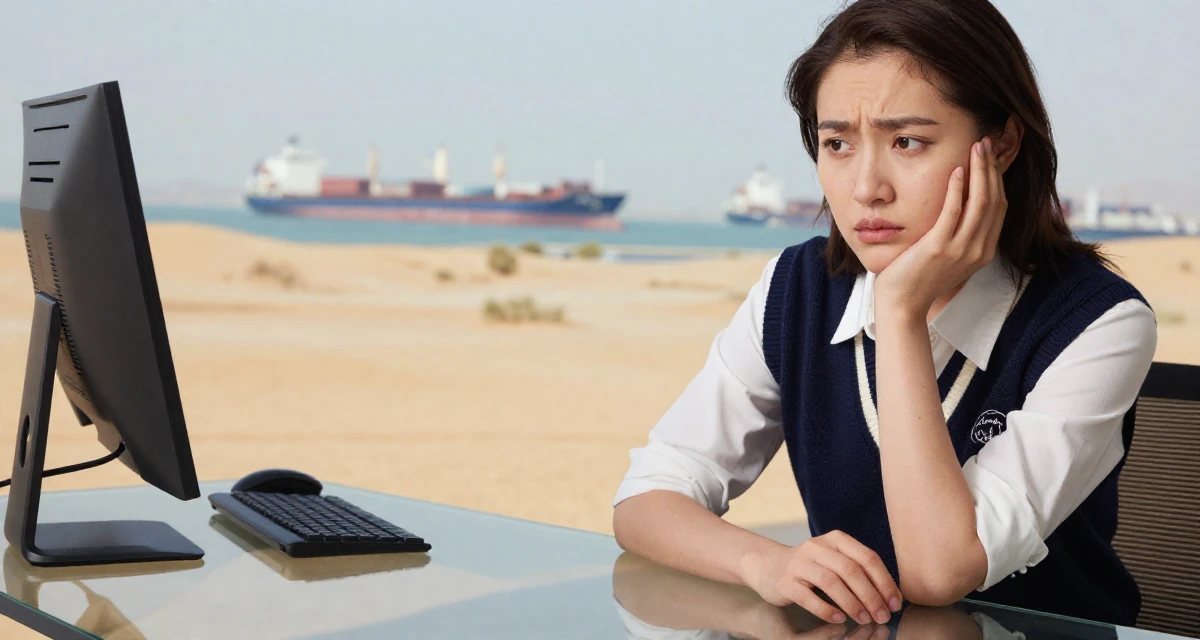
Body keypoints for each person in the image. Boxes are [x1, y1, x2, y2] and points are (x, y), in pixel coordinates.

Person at [611, 0, 1157, 629]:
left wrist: (899, 313)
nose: (867, 186)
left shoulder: (1099, 325)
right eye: (837, 143)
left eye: (907, 142)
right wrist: (762, 563)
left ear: (1002, 144)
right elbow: (645, 500)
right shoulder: (799, 289)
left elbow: (938, 571)